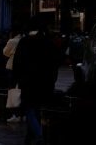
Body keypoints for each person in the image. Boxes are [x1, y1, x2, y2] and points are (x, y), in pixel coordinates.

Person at [11, 16, 61, 145]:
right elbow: (54, 64)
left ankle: (38, 138)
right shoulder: (48, 43)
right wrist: (52, 81)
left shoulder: (24, 42)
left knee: (29, 109)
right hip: (44, 82)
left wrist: (14, 81)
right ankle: (29, 137)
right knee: (36, 109)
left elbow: (17, 64)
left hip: (28, 81)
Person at [3, 25, 24, 123]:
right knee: (22, 91)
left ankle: (16, 113)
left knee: (13, 91)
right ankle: (22, 113)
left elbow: (5, 53)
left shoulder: (12, 41)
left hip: (12, 67)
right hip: (24, 68)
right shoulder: (24, 40)